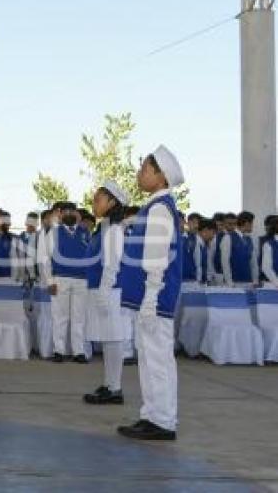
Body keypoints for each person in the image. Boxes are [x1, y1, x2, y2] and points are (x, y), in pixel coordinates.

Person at [117, 145, 185, 441]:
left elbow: (155, 260)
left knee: (156, 359)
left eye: (144, 169)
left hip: (154, 298)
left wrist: (149, 299)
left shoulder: (159, 208)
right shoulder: (155, 206)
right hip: (150, 298)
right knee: (149, 358)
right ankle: (152, 414)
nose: (138, 174)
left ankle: (163, 421)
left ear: (160, 176)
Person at [82, 180, 129, 405]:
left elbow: (112, 263)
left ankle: (115, 387)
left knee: (113, 337)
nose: (94, 204)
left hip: (110, 289)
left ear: (112, 202)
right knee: (108, 338)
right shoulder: (104, 227)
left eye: (98, 200)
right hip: (100, 287)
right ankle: (110, 384)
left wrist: (104, 289)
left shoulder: (114, 229)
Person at [39, 201, 90, 363]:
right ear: (60, 215)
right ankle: (59, 351)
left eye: (72, 211)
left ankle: (78, 351)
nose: (69, 214)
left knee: (79, 317)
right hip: (59, 278)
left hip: (82, 280)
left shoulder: (86, 232)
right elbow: (45, 259)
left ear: (77, 214)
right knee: (59, 316)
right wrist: (49, 282)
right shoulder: (53, 232)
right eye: (65, 211)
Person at [219, 212, 257, 288]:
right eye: (252, 223)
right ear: (246, 223)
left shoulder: (249, 239)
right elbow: (225, 263)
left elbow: (253, 263)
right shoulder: (228, 238)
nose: (253, 226)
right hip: (234, 283)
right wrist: (229, 282)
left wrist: (255, 280)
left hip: (249, 282)